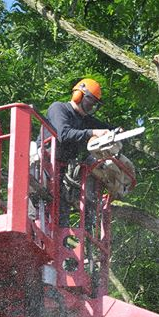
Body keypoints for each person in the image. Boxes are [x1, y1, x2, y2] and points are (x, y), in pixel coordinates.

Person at [44, 78, 117, 227]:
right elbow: (63, 134)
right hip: (45, 165)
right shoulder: (59, 108)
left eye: (95, 104)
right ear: (79, 95)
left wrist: (116, 131)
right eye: (91, 101)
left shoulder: (85, 120)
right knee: (40, 206)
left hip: (64, 173)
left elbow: (106, 128)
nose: (92, 106)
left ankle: (65, 238)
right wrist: (92, 133)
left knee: (61, 219)